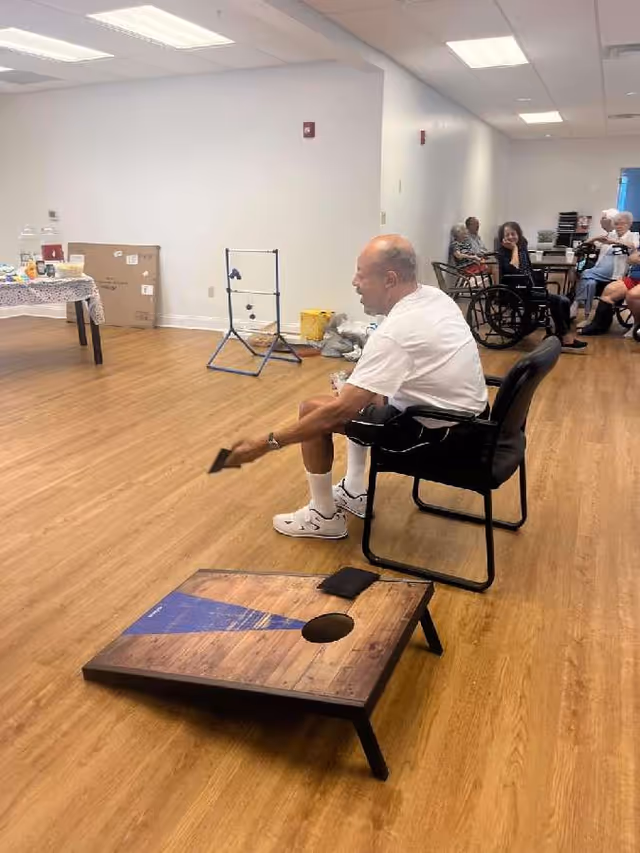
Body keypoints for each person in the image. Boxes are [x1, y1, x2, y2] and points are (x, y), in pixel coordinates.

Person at [223, 234, 489, 540]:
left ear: (389, 279)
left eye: (361, 274)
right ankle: (353, 489)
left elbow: (338, 412)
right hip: (472, 423)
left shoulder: (396, 331)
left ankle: (323, 517)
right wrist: (357, 386)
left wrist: (263, 444)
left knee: (315, 410)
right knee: (356, 395)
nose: (354, 282)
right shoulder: (434, 298)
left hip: (438, 438)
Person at [497, 221, 587, 351]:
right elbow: (513, 269)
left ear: (518, 234)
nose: (511, 237)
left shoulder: (523, 245)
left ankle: (561, 335)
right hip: (516, 290)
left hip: (528, 286)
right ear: (502, 237)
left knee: (564, 301)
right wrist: (514, 249)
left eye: (513, 234)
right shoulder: (502, 251)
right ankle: (565, 339)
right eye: (507, 235)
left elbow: (527, 267)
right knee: (559, 300)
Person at [572, 210, 639, 318]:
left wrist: (615, 242)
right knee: (590, 283)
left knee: (585, 272)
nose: (619, 226)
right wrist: (595, 238)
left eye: (623, 223)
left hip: (615, 272)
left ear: (629, 224)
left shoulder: (633, 235)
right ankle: (587, 314)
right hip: (599, 269)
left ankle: (575, 303)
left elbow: (634, 246)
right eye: (617, 224)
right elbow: (587, 243)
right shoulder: (611, 234)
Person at [580, 248, 640, 336]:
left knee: (633, 295)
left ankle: (637, 324)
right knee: (609, 290)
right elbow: (630, 260)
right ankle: (599, 325)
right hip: (634, 278)